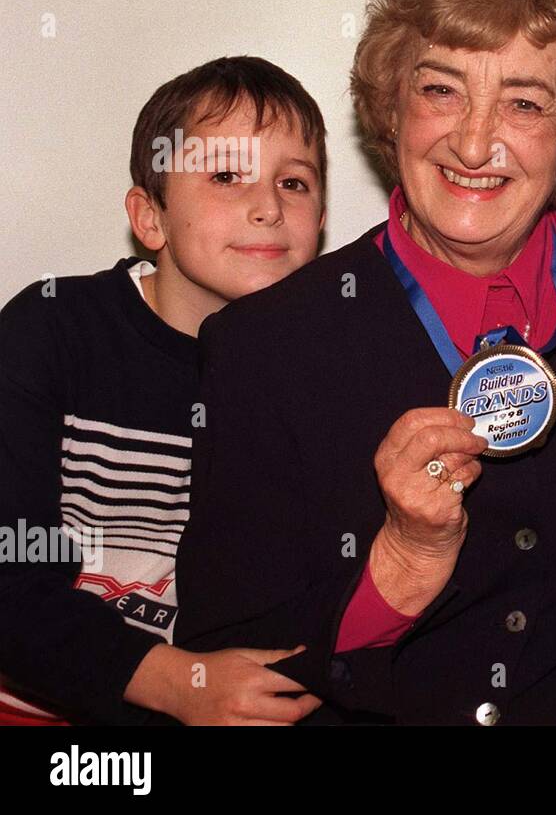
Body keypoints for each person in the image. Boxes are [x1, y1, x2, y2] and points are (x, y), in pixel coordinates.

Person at [174, 0, 556, 724]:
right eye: (441, 89)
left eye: (525, 103)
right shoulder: (264, 349)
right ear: (391, 105)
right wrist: (400, 562)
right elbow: (232, 664)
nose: (475, 140)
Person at [0, 56, 327, 724]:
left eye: (293, 182)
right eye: (228, 175)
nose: (268, 206)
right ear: (151, 217)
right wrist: (180, 684)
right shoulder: (54, 330)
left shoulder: (326, 376)